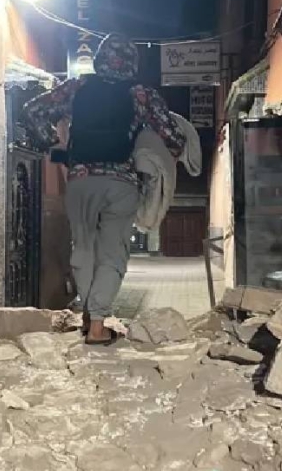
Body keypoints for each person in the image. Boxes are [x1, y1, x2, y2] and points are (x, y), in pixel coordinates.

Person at [23, 34, 184, 344]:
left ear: (100, 59)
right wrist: (158, 154)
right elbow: (172, 137)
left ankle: (88, 317)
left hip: (81, 180)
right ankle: (97, 326)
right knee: (113, 252)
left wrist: (53, 145)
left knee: (83, 248)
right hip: (121, 183)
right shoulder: (141, 95)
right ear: (132, 63)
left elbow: (33, 110)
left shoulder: (77, 86)